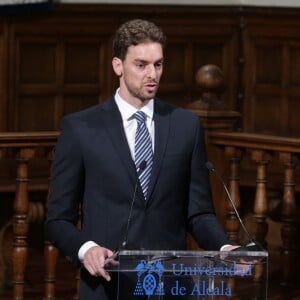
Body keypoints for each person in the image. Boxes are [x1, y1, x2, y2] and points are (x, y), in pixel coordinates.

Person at [45, 19, 238, 300]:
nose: (152, 74)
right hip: (108, 284)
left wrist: (223, 248)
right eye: (141, 64)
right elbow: (57, 220)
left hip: (171, 284)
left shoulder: (185, 126)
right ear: (118, 66)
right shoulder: (81, 129)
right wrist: (86, 249)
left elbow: (198, 212)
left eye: (158, 64)